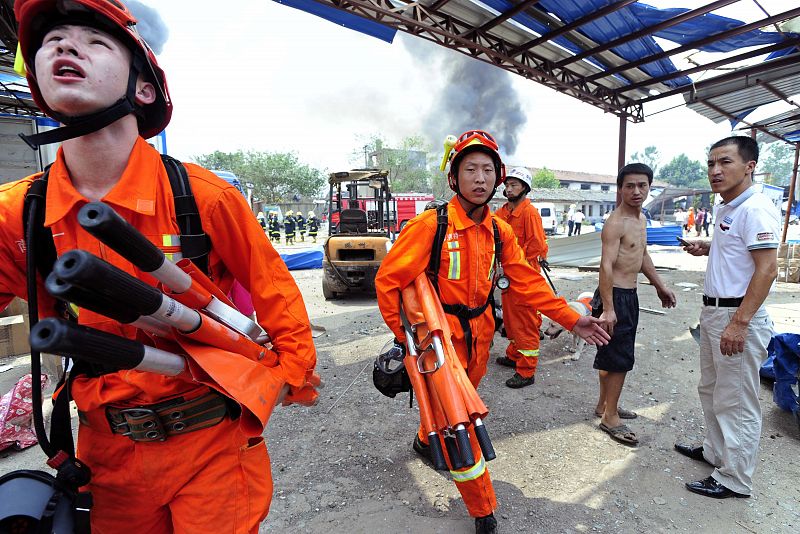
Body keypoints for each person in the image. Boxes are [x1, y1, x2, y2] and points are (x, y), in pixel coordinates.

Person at [0, 1, 317, 531]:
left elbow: (273, 286)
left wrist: (291, 373)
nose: (66, 45)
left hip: (212, 443)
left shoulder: (201, 196)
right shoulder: (18, 215)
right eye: (52, 41)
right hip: (107, 457)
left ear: (143, 89)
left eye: (95, 41)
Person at [374, 130, 610, 533]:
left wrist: (572, 318)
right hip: (441, 340)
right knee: (461, 419)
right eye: (470, 169)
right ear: (455, 178)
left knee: (452, 405)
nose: (480, 178)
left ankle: (424, 439)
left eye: (487, 170)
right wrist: (407, 338)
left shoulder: (500, 232)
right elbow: (388, 281)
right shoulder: (430, 226)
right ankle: (482, 508)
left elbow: (528, 282)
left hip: (480, 334)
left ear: (498, 177)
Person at [676, 136, 779, 499]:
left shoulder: (755, 208)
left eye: (725, 162)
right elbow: (741, 252)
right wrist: (709, 246)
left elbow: (767, 269)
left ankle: (735, 478)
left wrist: (740, 322)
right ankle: (715, 453)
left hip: (737, 314)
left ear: (749, 166)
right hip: (715, 311)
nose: (715, 171)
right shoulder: (729, 206)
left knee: (735, 400)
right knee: (712, 389)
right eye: (711, 163)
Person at [593, 163, 677, 446]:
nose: (636, 191)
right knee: (619, 359)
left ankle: (605, 405)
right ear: (620, 189)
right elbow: (605, 265)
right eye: (630, 186)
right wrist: (608, 308)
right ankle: (610, 418)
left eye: (642, 185)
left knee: (612, 354)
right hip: (615, 295)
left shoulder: (640, 219)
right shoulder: (616, 222)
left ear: (649, 187)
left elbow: (641, 255)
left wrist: (660, 285)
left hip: (628, 295)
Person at [494, 167, 549, 388]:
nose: (509, 189)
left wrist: (517, 266)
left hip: (524, 276)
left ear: (525, 188)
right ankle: (514, 354)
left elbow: (536, 246)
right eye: (507, 185)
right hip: (508, 276)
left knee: (525, 323)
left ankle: (526, 371)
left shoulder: (529, 213)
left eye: (514, 185)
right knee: (511, 319)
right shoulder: (502, 213)